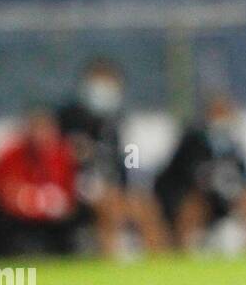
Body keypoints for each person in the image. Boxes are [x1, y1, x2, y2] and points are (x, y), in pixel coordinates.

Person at [57, 58, 168, 258]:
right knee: (111, 206)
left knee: (146, 207)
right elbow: (66, 157)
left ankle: (158, 264)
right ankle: (112, 259)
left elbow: (125, 159)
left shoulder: (116, 120)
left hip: (111, 184)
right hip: (77, 184)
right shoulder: (69, 117)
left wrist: (132, 189)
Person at [154, 95, 246, 254]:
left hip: (223, 197)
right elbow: (182, 177)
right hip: (192, 197)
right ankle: (180, 254)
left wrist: (235, 194)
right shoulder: (192, 141)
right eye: (219, 113)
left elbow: (244, 177)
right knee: (191, 207)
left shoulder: (232, 144)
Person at [0, 105, 78, 257]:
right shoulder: (12, 156)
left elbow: (69, 193)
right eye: (36, 128)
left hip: (50, 217)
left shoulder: (62, 156)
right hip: (14, 215)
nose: (40, 135)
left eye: (44, 129)